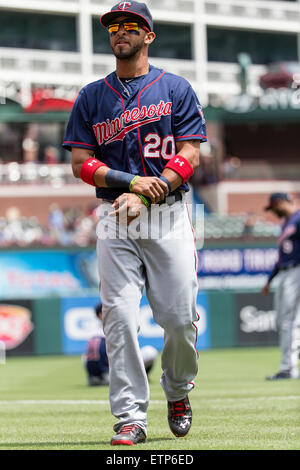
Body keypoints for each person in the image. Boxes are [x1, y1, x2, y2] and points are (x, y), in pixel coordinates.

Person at [62, 0, 206, 446]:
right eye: (113, 27)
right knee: (119, 319)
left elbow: (192, 153)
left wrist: (150, 190)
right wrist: (131, 183)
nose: (119, 32)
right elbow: (81, 163)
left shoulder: (176, 88)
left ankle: (178, 390)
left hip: (167, 215)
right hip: (114, 215)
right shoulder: (91, 96)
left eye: (130, 25)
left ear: (148, 36)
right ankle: (130, 417)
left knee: (180, 319)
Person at [261, 192, 300, 381]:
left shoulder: (298, 218)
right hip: (285, 272)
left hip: (297, 271)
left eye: (273, 207)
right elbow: (280, 259)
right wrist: (270, 280)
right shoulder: (287, 223)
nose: (273, 212)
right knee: (284, 321)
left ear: (279, 202)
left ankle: (288, 368)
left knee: (289, 322)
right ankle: (290, 362)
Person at [83, 303, 158, 386]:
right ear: (101, 315)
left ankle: (95, 378)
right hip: (113, 373)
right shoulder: (114, 328)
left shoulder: (93, 332)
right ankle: (139, 377)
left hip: (96, 374)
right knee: (150, 352)